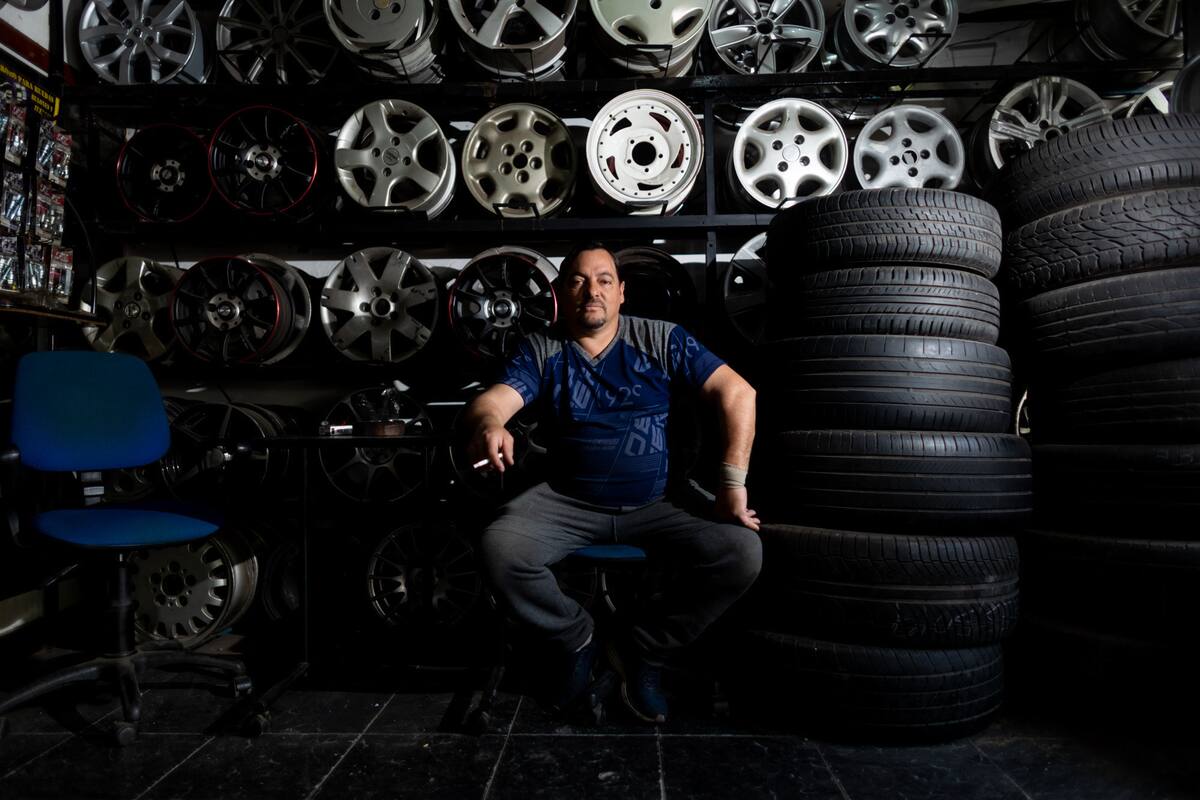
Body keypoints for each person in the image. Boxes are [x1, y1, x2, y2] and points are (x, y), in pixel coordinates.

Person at [463, 242, 762, 724]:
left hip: (658, 501)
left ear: (622, 292)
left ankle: (644, 649)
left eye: (603, 280)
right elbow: (492, 402)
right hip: (567, 501)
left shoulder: (661, 339)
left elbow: (738, 391)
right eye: (578, 280)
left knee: (742, 552)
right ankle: (576, 639)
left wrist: (732, 485)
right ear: (562, 292)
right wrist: (490, 425)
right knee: (500, 547)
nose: (592, 291)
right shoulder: (543, 349)